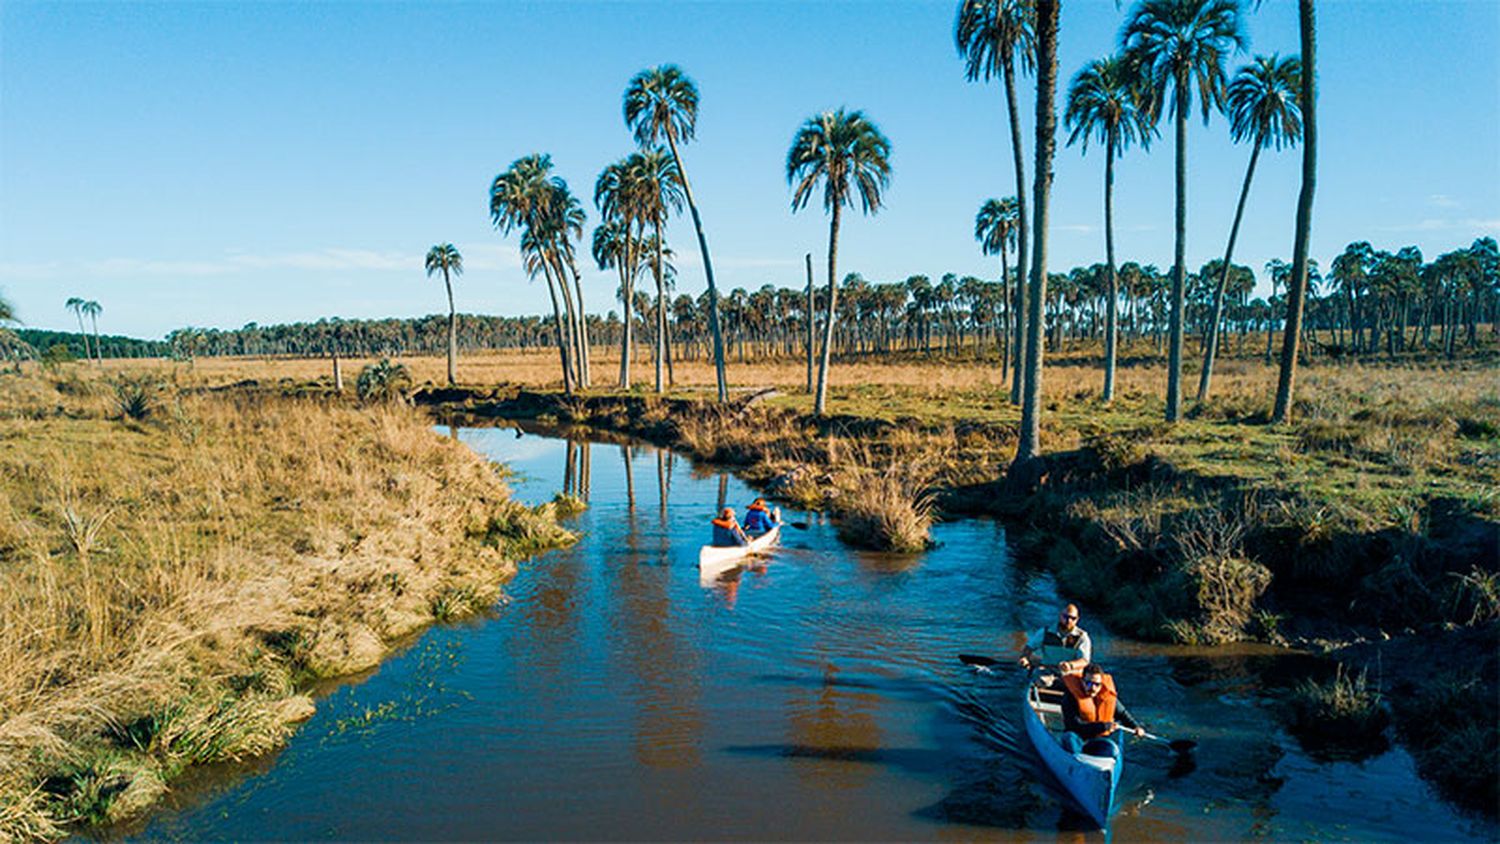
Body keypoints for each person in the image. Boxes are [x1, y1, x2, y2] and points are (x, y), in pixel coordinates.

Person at [1060, 663, 1144, 755]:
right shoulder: (1070, 697)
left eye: (1097, 684)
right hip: (1078, 737)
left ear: (1101, 684)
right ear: (1082, 681)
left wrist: (1136, 727)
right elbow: (1074, 725)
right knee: (1069, 738)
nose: (1092, 688)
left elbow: (1122, 714)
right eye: (1088, 683)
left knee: (1112, 749)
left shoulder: (1107, 696)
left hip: (1098, 739)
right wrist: (1103, 726)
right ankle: (1075, 762)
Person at [1019, 603, 1092, 675]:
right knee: (1039, 679)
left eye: (1073, 618)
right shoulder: (1045, 632)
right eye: (1065, 617)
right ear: (1060, 616)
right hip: (1047, 671)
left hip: (1070, 674)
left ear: (1077, 619)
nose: (1069, 621)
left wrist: (1070, 665)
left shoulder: (1082, 637)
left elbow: (1084, 660)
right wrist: (1024, 658)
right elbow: (1029, 648)